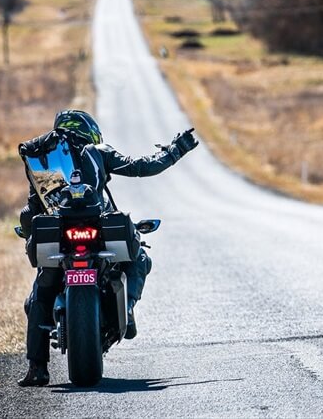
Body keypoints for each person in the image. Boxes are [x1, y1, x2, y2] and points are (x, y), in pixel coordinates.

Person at [16, 110, 198, 387]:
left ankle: (37, 369)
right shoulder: (97, 151)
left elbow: (30, 213)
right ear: (89, 130)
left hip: (61, 243)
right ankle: (127, 310)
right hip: (97, 233)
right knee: (140, 258)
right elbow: (141, 166)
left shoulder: (44, 162)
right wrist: (175, 151)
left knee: (39, 296)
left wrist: (29, 234)